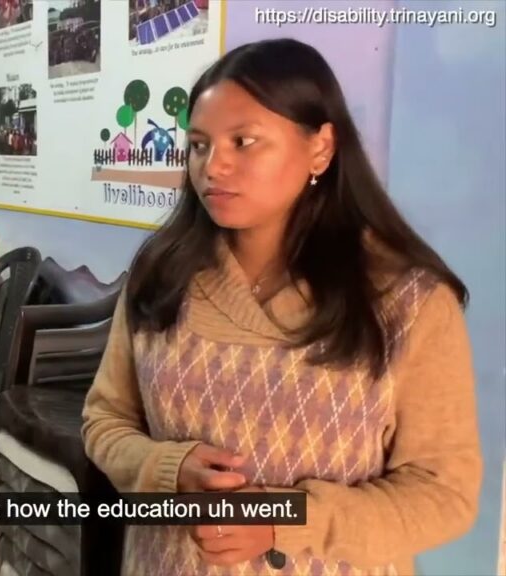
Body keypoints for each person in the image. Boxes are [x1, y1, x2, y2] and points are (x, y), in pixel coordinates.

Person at [82, 38, 481, 575]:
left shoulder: (408, 301)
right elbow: (105, 419)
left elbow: (444, 494)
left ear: (321, 148)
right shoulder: (161, 276)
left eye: (243, 141)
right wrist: (165, 468)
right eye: (199, 145)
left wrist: (284, 519)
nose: (213, 166)